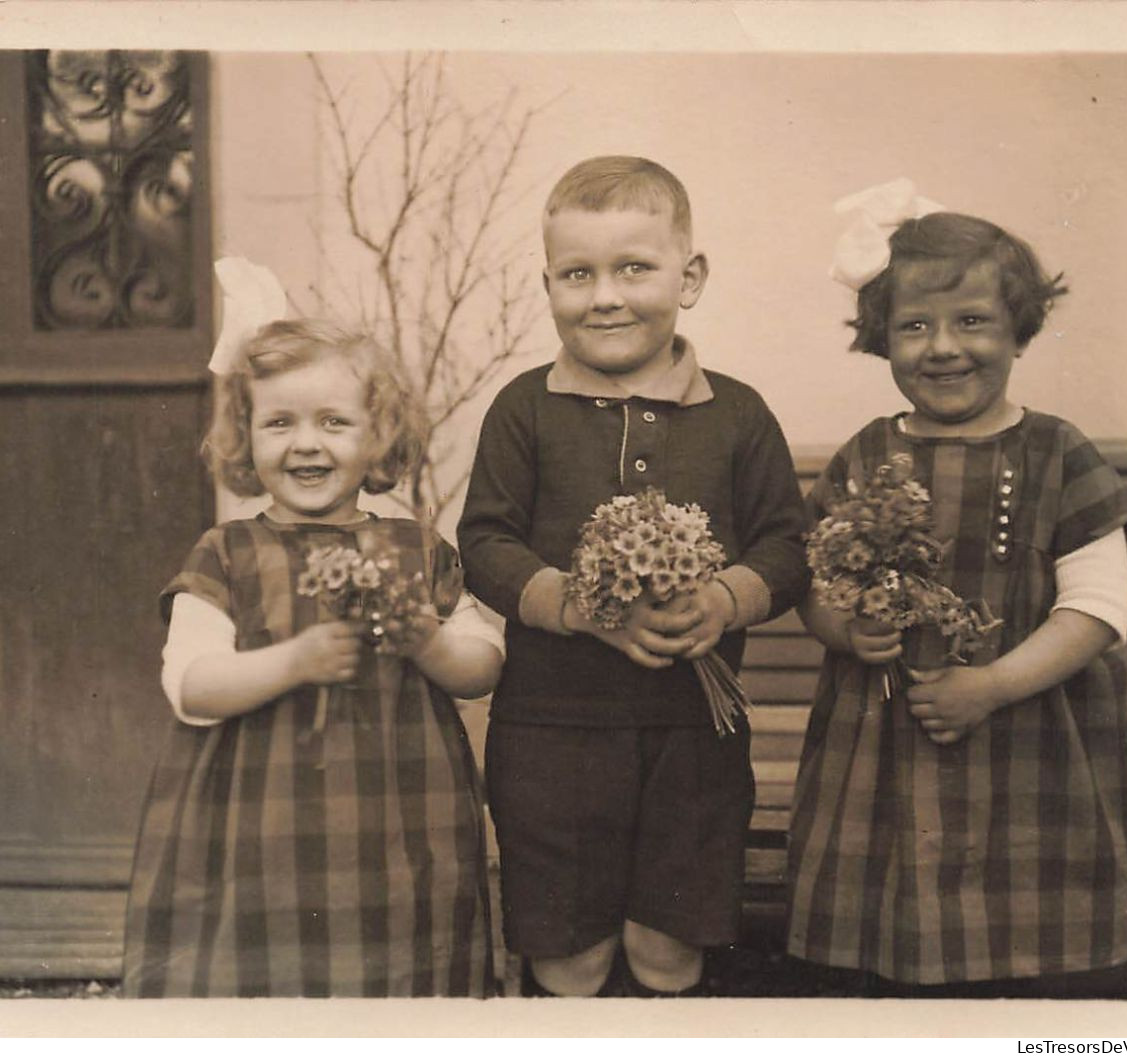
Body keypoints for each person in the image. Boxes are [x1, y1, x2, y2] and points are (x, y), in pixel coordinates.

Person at [458, 156, 810, 997]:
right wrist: (578, 608)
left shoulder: (737, 412)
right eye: (576, 274)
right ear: (546, 284)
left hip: (694, 736)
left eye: (633, 269)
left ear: (688, 278)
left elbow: (786, 548)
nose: (604, 296)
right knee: (568, 959)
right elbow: (485, 542)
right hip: (551, 731)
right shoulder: (523, 408)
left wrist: (723, 601)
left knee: (666, 951)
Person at [785, 183, 1127, 998]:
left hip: (1030, 741)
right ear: (882, 339)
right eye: (914, 326)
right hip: (883, 742)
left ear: (1019, 327)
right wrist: (843, 630)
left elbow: (1096, 606)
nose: (941, 347)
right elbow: (813, 579)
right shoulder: (865, 454)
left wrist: (992, 685)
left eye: (971, 321)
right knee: (892, 934)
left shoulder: (1057, 452)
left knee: (1031, 944)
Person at [121, 285, 505, 997]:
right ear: (244, 439)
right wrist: (292, 662)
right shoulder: (227, 551)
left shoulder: (416, 548)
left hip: (400, 819)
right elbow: (191, 685)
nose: (305, 442)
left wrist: (424, 639)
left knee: (398, 969)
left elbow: (481, 665)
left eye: (333, 421)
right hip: (258, 822)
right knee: (271, 972)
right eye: (278, 423)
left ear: (377, 437)